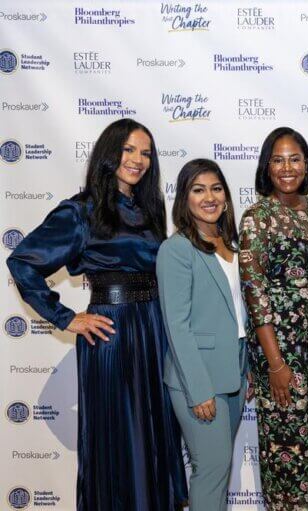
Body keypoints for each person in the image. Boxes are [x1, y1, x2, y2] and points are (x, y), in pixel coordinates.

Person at [6, 118, 187, 510]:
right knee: (121, 435)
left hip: (153, 329)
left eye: (145, 153)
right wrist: (65, 317)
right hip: (113, 333)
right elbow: (23, 262)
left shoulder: (150, 210)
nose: (138, 160)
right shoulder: (81, 211)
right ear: (110, 153)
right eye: (129, 150)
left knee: (155, 432)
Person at [239, 127, 308, 510]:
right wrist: (275, 364)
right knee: (283, 456)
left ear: (306, 165)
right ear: (267, 166)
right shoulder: (256, 217)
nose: (287, 167)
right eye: (278, 159)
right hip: (279, 354)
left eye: (294, 159)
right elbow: (255, 294)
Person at [156, 159, 248, 511]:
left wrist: (249, 365)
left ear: (225, 195)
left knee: (219, 470)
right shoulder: (177, 249)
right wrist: (199, 389)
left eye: (216, 188)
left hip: (235, 371)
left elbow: (239, 313)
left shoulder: (232, 243)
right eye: (198, 190)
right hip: (199, 378)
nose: (209, 197)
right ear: (184, 199)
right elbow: (176, 327)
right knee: (210, 470)